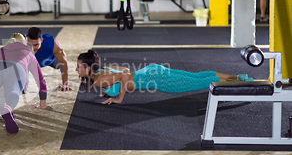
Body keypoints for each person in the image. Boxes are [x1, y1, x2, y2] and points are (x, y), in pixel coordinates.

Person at [76, 50, 252, 105]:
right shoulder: (101, 72)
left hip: (157, 79)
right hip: (152, 70)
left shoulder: (98, 80)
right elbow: (123, 71)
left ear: (86, 67)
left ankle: (243, 83)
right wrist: (110, 92)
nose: (76, 69)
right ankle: (239, 77)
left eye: (78, 66)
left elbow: (122, 75)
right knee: (198, 77)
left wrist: (118, 98)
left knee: (201, 82)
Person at [25, 27, 72, 91]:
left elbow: (63, 63)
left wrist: (65, 84)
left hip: (49, 60)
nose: (32, 48)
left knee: (59, 62)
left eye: (36, 45)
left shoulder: (52, 44)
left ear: (41, 41)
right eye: (29, 44)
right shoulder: (18, 44)